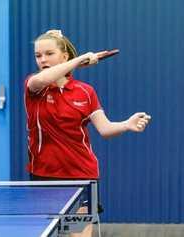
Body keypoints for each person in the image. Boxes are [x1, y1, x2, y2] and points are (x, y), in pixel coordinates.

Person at [24, 29, 151, 237]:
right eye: (38, 55)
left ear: (64, 56)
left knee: (78, 235)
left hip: (80, 176)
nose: (42, 59)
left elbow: (105, 129)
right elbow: (43, 78)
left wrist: (126, 124)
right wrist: (80, 59)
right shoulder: (34, 87)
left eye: (49, 53)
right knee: (47, 234)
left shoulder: (85, 91)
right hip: (43, 176)